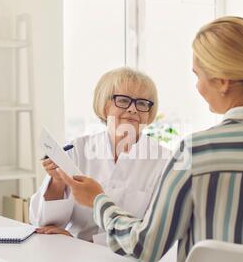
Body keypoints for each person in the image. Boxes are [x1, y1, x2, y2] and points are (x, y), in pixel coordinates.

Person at [56, 17, 243, 262]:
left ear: (223, 81)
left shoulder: (197, 152)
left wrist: (97, 201)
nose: (198, 87)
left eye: (197, 75)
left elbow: (144, 247)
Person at [29, 67, 171, 243]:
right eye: (123, 100)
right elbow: (41, 223)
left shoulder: (164, 162)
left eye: (142, 103)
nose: (133, 109)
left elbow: (155, 233)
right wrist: (57, 182)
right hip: (73, 257)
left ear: (149, 113)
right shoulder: (77, 149)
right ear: (104, 107)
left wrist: (81, 242)